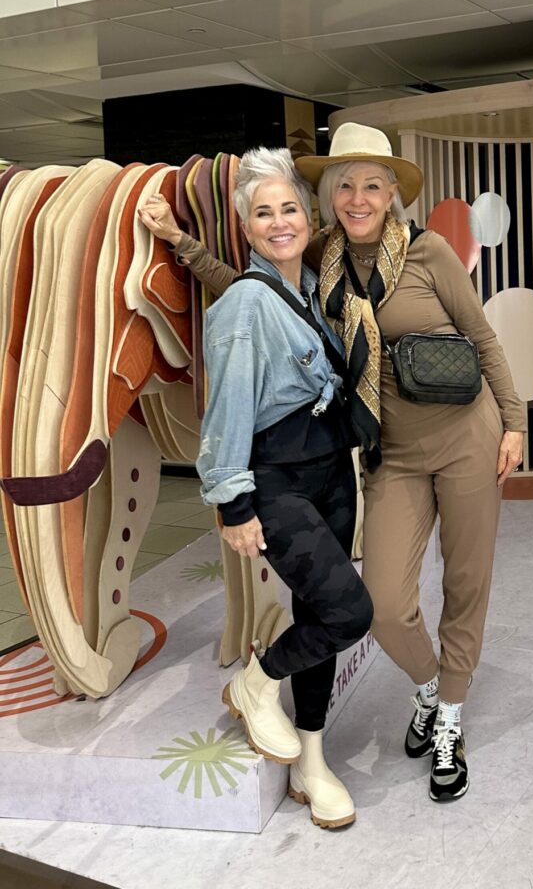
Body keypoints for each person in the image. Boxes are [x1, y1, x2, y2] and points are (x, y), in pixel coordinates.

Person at [142, 123, 526, 803]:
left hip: (467, 433)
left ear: (390, 194)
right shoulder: (323, 256)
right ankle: (431, 687)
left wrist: (515, 422)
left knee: (466, 582)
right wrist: (181, 244)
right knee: (382, 606)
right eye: (343, 184)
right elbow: (255, 292)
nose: (357, 196)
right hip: (391, 452)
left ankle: (450, 719)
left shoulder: (430, 253)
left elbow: (482, 338)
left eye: (371, 184)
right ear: (326, 197)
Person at [151, 148, 373, 829]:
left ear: (307, 218)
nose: (279, 222)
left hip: (333, 467)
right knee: (348, 613)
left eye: (289, 209)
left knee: (318, 619)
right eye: (262, 213)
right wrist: (235, 503)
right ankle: (255, 682)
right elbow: (227, 414)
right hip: (278, 481)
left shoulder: (311, 285)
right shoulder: (245, 303)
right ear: (246, 228)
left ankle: (311, 759)